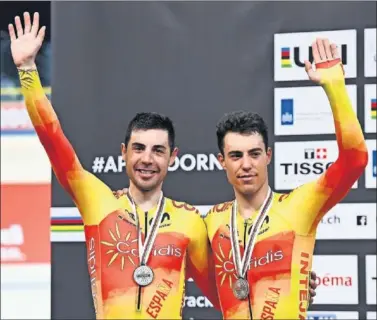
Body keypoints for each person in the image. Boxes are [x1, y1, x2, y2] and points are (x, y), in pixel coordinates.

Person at [8, 12, 220, 319]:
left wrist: (292, 285)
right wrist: (28, 70)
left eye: (158, 150)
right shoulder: (99, 202)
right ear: (124, 153)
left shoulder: (189, 223)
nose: (147, 159)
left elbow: (224, 297)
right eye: (139, 148)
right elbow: (53, 140)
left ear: (172, 158)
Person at [203, 38, 368, 319]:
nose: (246, 165)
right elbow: (221, 298)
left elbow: (355, 160)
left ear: (268, 156)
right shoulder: (211, 222)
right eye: (236, 156)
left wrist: (334, 88)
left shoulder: (300, 205)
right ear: (222, 161)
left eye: (254, 154)